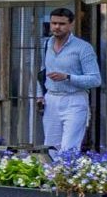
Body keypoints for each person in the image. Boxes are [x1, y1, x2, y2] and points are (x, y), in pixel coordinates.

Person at [38, 8, 102, 159]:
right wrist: (39, 94)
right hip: (52, 99)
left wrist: (68, 77)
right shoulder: (47, 44)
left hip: (74, 99)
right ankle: (52, 179)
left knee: (69, 147)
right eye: (53, 23)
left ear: (71, 25)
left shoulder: (83, 48)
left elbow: (95, 79)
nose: (56, 27)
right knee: (51, 146)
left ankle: (65, 178)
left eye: (62, 24)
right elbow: (42, 71)